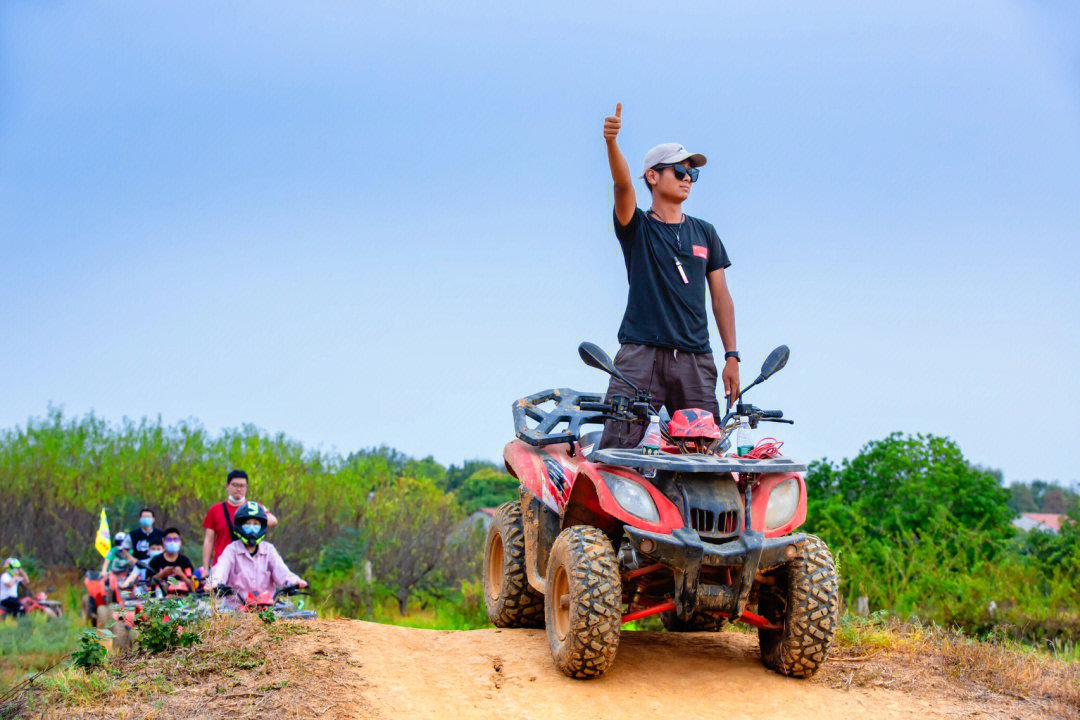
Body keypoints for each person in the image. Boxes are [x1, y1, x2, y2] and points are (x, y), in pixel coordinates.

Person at [599, 103, 740, 449]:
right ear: (652, 176)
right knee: (617, 452)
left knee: (705, 455)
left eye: (693, 173)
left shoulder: (705, 233)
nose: (688, 178)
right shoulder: (639, 227)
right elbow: (621, 187)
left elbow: (721, 297)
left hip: (694, 359)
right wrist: (612, 144)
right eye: (679, 170)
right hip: (640, 355)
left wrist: (732, 357)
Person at [210, 502, 306, 602]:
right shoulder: (231, 550)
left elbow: (282, 572)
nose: (252, 527)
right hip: (236, 610)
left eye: (256, 524)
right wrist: (215, 584)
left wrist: (295, 581)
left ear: (262, 526)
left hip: (267, 608)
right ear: (240, 525)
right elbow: (221, 570)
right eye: (247, 524)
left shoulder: (269, 550)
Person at [201, 469, 278, 574]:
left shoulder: (253, 508)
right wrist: (206, 568)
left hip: (248, 569)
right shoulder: (215, 510)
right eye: (235, 485)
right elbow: (209, 540)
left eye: (242, 486)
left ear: (246, 488)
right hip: (221, 568)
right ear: (227, 486)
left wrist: (256, 516)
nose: (238, 489)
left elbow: (273, 521)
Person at [148, 528, 196, 592]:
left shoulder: (185, 561)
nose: (172, 542)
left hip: (183, 597)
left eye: (175, 539)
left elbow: (193, 586)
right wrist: (162, 574)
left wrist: (181, 574)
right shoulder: (156, 560)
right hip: (159, 598)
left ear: (180, 542)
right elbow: (148, 583)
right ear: (163, 542)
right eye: (169, 539)